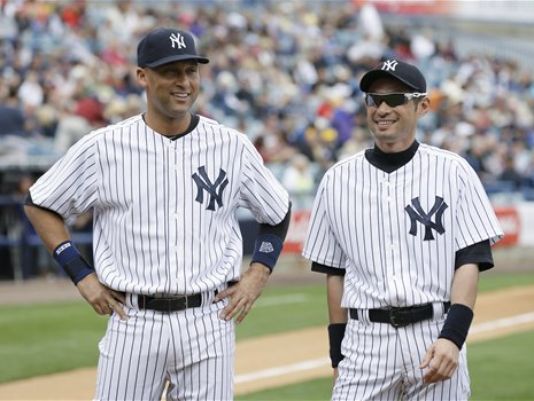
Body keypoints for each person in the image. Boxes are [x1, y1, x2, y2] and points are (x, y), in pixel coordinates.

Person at [24, 27, 291, 401]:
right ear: (142, 76)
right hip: (133, 318)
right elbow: (40, 204)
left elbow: (277, 211)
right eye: (171, 71)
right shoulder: (104, 147)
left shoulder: (231, 146)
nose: (184, 82)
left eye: (191, 71)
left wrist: (258, 274)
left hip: (207, 318)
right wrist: (81, 274)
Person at [303, 59, 503, 400]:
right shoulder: (337, 179)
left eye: (395, 98)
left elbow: (469, 262)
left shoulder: (453, 171)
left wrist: (453, 338)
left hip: (433, 332)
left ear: (422, 106)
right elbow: (334, 274)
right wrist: (338, 355)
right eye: (373, 99)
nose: (382, 108)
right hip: (365, 342)